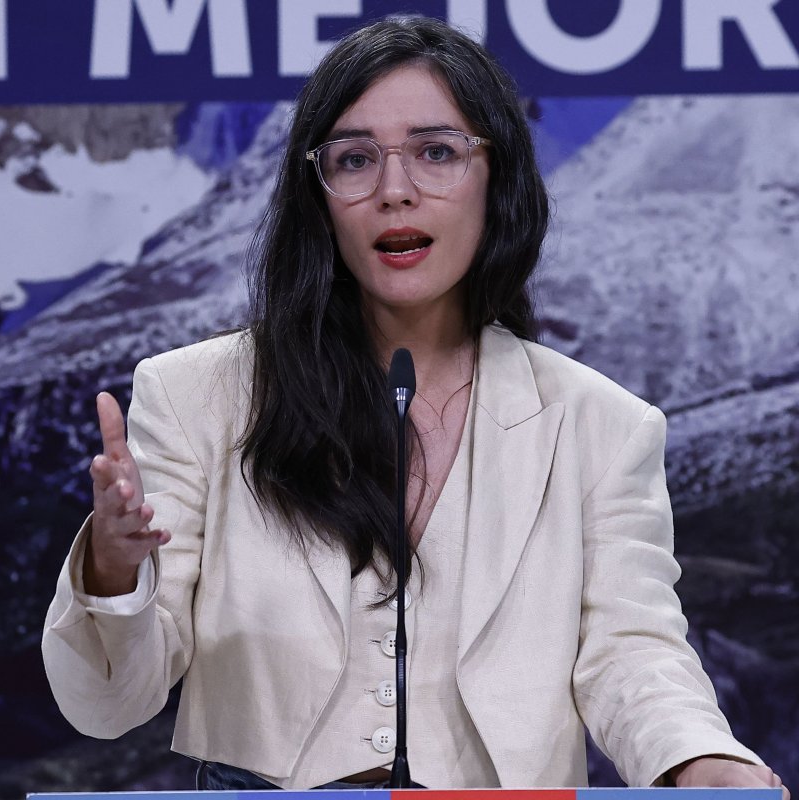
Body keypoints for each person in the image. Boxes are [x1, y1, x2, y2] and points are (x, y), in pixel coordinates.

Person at [42, 16, 788, 796]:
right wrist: (114, 567)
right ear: (317, 195)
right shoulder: (197, 397)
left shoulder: (601, 425)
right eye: (354, 159)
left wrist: (699, 758)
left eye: (436, 152)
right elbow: (109, 703)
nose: (394, 190)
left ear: (498, 177)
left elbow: (631, 653)